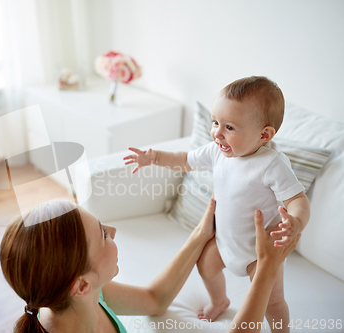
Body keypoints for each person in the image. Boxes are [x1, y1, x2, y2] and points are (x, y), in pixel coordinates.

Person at [123, 76, 310, 331]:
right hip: (225, 243)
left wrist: (295, 222)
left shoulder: (272, 164)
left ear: (264, 134)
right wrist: (155, 157)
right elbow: (184, 160)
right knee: (205, 267)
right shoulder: (216, 151)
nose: (217, 133)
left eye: (230, 127)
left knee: (273, 302)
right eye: (215, 122)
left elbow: (297, 199)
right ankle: (219, 300)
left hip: (260, 253)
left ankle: (282, 329)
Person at [0, 198, 300, 333]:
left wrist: (201, 233)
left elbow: (155, 300)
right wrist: (266, 266)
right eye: (103, 234)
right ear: (81, 284)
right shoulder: (82, 298)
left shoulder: (85, 297)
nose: (114, 231)